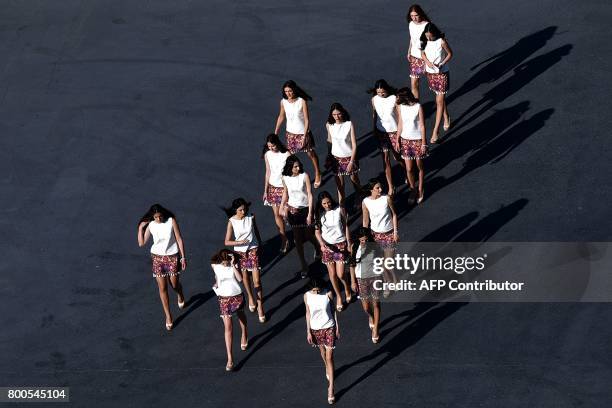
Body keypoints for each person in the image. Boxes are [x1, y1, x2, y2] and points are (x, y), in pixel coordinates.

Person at [137, 204, 187, 331]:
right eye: (156, 217)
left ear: (163, 214)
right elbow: (142, 243)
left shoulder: (171, 221)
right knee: (162, 287)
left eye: (160, 216)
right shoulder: (151, 225)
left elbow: (179, 239)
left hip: (172, 257)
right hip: (157, 258)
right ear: (152, 217)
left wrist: (183, 257)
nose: (158, 219)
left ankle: (180, 294)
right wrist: (140, 228)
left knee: (174, 284)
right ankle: (168, 316)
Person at [224, 198, 266, 323]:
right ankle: (250, 297)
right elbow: (226, 241)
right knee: (245, 278)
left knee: (257, 281)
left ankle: (260, 307)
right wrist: (239, 242)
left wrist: (260, 243)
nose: (243, 211)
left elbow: (256, 230)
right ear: (235, 210)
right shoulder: (231, 221)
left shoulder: (251, 217)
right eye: (240, 210)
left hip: (253, 249)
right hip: (240, 252)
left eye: (244, 209)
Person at [274, 80, 322, 188]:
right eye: (286, 91)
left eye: (290, 91)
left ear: (294, 90)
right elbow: (281, 116)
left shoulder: (302, 101)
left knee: (310, 154)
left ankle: (318, 172)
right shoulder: (283, 102)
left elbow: (306, 119)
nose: (288, 94)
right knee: (290, 157)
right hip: (290, 133)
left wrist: (305, 136)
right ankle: (297, 177)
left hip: (302, 132)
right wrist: (276, 131)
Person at [280, 155, 319, 277]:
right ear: (290, 167)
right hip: (293, 211)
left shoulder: (304, 176)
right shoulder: (285, 178)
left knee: (308, 234)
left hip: (306, 209)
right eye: (295, 166)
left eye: (298, 165)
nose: (298, 168)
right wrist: (282, 206)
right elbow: (285, 193)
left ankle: (318, 247)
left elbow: (310, 194)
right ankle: (304, 265)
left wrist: (310, 213)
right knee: (297, 240)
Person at [211, 249, 249, 372]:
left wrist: (233, 265)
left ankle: (244, 333)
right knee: (228, 327)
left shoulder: (234, 265)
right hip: (223, 299)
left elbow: (240, 279)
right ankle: (230, 358)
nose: (225, 264)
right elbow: (217, 278)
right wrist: (216, 284)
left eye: (227, 261)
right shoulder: (215, 266)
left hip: (237, 296)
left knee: (241, 315)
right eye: (224, 262)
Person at [314, 191, 352, 312]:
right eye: (324, 203)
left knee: (341, 274)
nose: (327, 205)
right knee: (332, 275)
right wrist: (321, 244)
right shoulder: (319, 215)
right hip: (328, 247)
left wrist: (348, 242)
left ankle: (347, 288)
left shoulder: (339, 210)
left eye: (328, 202)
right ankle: (339, 297)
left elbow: (346, 226)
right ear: (321, 204)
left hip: (340, 244)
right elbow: (317, 232)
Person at [304, 277, 339, 404]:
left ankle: (331, 388)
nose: (316, 292)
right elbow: (308, 313)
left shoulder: (328, 293)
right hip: (315, 329)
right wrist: (308, 331)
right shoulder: (306, 296)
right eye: (314, 290)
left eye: (318, 290)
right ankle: (327, 367)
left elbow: (333, 310)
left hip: (329, 326)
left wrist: (337, 327)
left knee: (330, 357)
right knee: (323, 354)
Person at [362, 178, 399, 297]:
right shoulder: (366, 202)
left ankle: (395, 280)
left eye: (380, 187)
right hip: (375, 236)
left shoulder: (386, 199)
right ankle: (388, 284)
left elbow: (394, 214)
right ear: (371, 190)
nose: (380, 189)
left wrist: (395, 232)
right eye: (377, 188)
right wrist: (364, 236)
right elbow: (365, 220)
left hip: (388, 234)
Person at [369, 79, 405, 196]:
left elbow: (400, 117)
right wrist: (374, 128)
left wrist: (399, 134)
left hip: (394, 132)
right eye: (378, 92)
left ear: (387, 90)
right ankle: (391, 186)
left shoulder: (394, 98)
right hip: (381, 132)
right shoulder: (374, 99)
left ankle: (407, 172)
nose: (380, 95)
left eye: (382, 93)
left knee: (398, 157)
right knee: (385, 160)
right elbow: (375, 114)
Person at [420, 22, 453, 143]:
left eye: (430, 36)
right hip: (430, 74)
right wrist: (427, 62)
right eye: (427, 36)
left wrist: (442, 63)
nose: (428, 38)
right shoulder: (425, 40)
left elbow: (450, 54)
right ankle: (446, 116)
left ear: (435, 33)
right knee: (440, 99)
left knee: (439, 101)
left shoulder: (441, 41)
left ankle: (435, 131)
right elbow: (422, 53)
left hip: (441, 73)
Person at [349, 227, 382, 343]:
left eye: (366, 240)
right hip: (361, 279)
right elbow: (352, 265)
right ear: (358, 239)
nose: (364, 242)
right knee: (366, 307)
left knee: (376, 304)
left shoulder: (375, 246)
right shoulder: (354, 247)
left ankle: (376, 329)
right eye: (362, 240)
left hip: (375, 277)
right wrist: (353, 281)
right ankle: (371, 316)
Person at [325, 102, 361, 206]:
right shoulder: (329, 125)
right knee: (340, 184)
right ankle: (342, 205)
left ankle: (359, 194)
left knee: (354, 179)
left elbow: (354, 145)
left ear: (343, 113)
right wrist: (329, 155)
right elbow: (329, 140)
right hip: (336, 158)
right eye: (334, 115)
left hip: (349, 157)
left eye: (338, 114)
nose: (336, 117)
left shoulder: (349, 124)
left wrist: (351, 162)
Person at [396, 87, 427, 204]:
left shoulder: (418, 107)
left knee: (419, 167)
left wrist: (424, 143)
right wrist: (398, 139)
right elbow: (400, 123)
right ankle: (413, 189)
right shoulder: (400, 107)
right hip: (405, 140)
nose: (397, 99)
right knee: (409, 168)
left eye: (399, 97)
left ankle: (420, 189)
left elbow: (423, 126)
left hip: (418, 140)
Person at [262, 133, 291, 253]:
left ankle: (298, 233)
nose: (271, 149)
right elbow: (268, 172)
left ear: (277, 143)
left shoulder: (286, 154)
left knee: (286, 214)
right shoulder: (267, 154)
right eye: (269, 147)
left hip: (285, 188)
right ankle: (284, 239)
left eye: (273, 146)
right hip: (273, 187)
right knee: (277, 215)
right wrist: (265, 190)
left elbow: (291, 172)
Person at [405, 4, 431, 98]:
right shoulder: (411, 24)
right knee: (414, 84)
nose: (414, 18)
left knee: (435, 88)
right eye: (412, 16)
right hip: (415, 57)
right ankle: (416, 109)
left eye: (416, 15)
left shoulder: (427, 25)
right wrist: (409, 51)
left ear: (420, 14)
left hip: (427, 58)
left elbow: (432, 41)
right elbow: (412, 38)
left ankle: (443, 111)